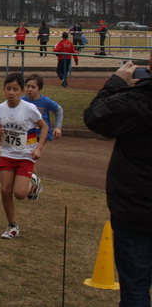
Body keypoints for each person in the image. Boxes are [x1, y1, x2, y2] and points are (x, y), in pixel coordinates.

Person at [84, 53, 152, 307]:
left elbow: (95, 116)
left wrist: (116, 83)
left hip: (136, 210)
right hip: (135, 210)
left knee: (135, 289)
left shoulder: (137, 101)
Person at [0, 73, 48, 239]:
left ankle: (33, 182)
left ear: (22, 91)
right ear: (3, 89)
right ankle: (12, 226)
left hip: (25, 155)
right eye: (8, 89)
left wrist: (39, 148)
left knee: (20, 194)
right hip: (7, 154)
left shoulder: (29, 109)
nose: (11, 93)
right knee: (5, 190)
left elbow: (44, 127)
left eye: (15, 89)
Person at [22, 74, 64, 141]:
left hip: (41, 133)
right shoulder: (21, 101)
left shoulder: (46, 101)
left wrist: (58, 127)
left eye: (33, 87)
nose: (29, 89)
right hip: (25, 134)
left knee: (35, 147)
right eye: (28, 86)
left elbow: (59, 110)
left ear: (39, 88)